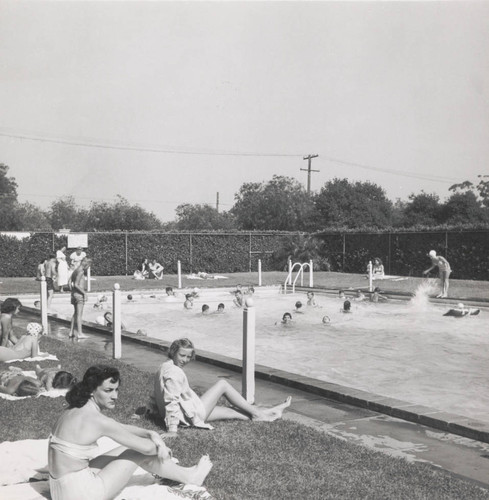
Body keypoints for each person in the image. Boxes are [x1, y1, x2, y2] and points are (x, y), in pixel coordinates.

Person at [48, 365, 213, 500]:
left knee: (123, 450)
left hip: (60, 490)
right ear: (91, 390)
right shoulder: (97, 420)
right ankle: (191, 478)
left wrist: (150, 433)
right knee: (136, 452)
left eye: (116, 390)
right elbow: (146, 449)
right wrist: (160, 446)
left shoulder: (74, 411)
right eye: (108, 390)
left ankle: (185, 472)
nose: (115, 396)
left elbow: (118, 425)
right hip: (83, 494)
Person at [150, 339, 291, 435]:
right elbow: (170, 400)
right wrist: (172, 430)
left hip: (188, 412)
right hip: (188, 416)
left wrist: (148, 411)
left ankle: (272, 411)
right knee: (223, 384)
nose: (185, 360)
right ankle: (258, 414)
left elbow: (156, 393)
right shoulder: (174, 373)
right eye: (182, 355)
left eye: (188, 357)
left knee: (232, 412)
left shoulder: (164, 366)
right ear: (173, 352)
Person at [69, 257, 91, 340]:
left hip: (74, 294)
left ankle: (71, 332)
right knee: (79, 315)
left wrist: (72, 292)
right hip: (79, 295)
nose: (88, 268)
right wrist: (84, 293)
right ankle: (80, 333)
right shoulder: (81, 271)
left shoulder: (76, 270)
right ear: (86, 264)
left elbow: (69, 282)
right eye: (89, 266)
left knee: (75, 313)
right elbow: (76, 284)